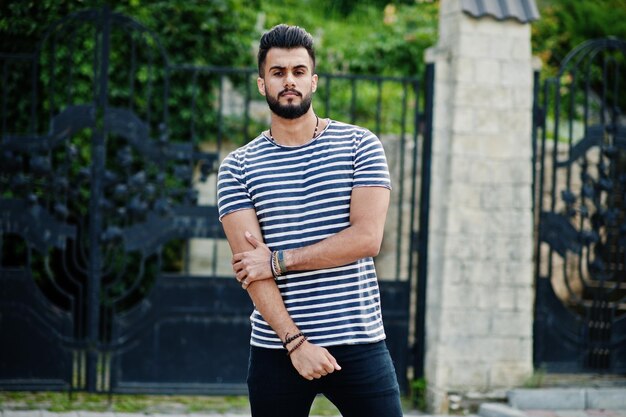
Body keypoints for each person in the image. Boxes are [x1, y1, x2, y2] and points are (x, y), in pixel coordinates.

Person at [217, 24, 403, 417]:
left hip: (360, 341)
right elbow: (252, 269)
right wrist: (296, 344)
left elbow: (367, 239)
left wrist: (278, 260)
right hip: (277, 347)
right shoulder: (237, 167)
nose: (289, 81)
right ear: (261, 83)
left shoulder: (360, 145)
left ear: (314, 81)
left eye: (299, 72)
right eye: (278, 72)